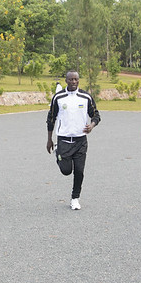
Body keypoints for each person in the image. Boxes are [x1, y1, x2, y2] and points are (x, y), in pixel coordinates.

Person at [46, 70, 100, 210]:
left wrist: (92, 125)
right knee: (66, 171)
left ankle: (75, 198)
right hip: (63, 140)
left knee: (79, 171)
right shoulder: (58, 97)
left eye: (76, 79)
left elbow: (96, 115)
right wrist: (49, 139)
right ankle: (58, 154)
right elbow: (51, 118)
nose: (74, 82)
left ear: (78, 80)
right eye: (71, 79)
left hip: (80, 141)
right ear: (66, 81)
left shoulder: (85, 97)